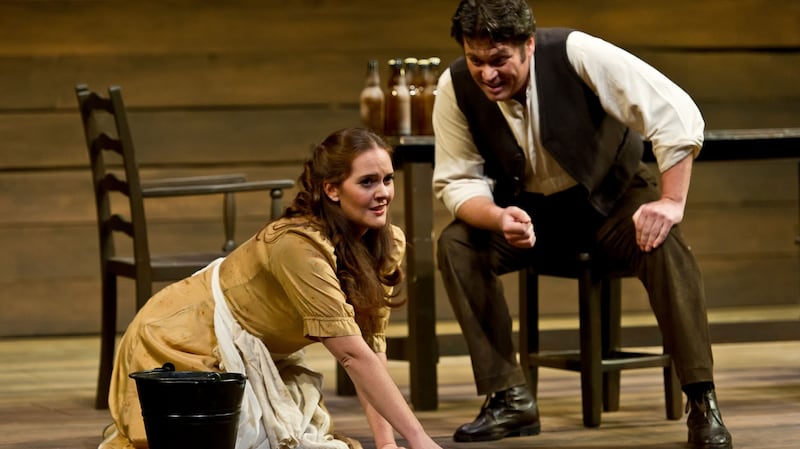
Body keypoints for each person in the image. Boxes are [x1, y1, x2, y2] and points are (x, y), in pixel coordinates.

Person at [431, 1, 733, 448]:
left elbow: (674, 111)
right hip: (531, 214)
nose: (487, 74)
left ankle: (702, 400)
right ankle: (509, 397)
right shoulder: (454, 86)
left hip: (614, 199)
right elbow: (456, 181)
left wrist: (671, 201)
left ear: (528, 45)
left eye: (499, 61)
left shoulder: (576, 52)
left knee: (667, 245)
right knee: (456, 245)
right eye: (477, 61)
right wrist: (498, 218)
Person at [98, 127, 443, 449]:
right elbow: (352, 355)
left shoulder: (385, 242)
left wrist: (388, 444)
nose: (382, 193)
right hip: (185, 336)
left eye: (387, 179)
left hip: (260, 348)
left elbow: (370, 347)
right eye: (367, 182)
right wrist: (419, 438)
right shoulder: (299, 247)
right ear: (332, 189)